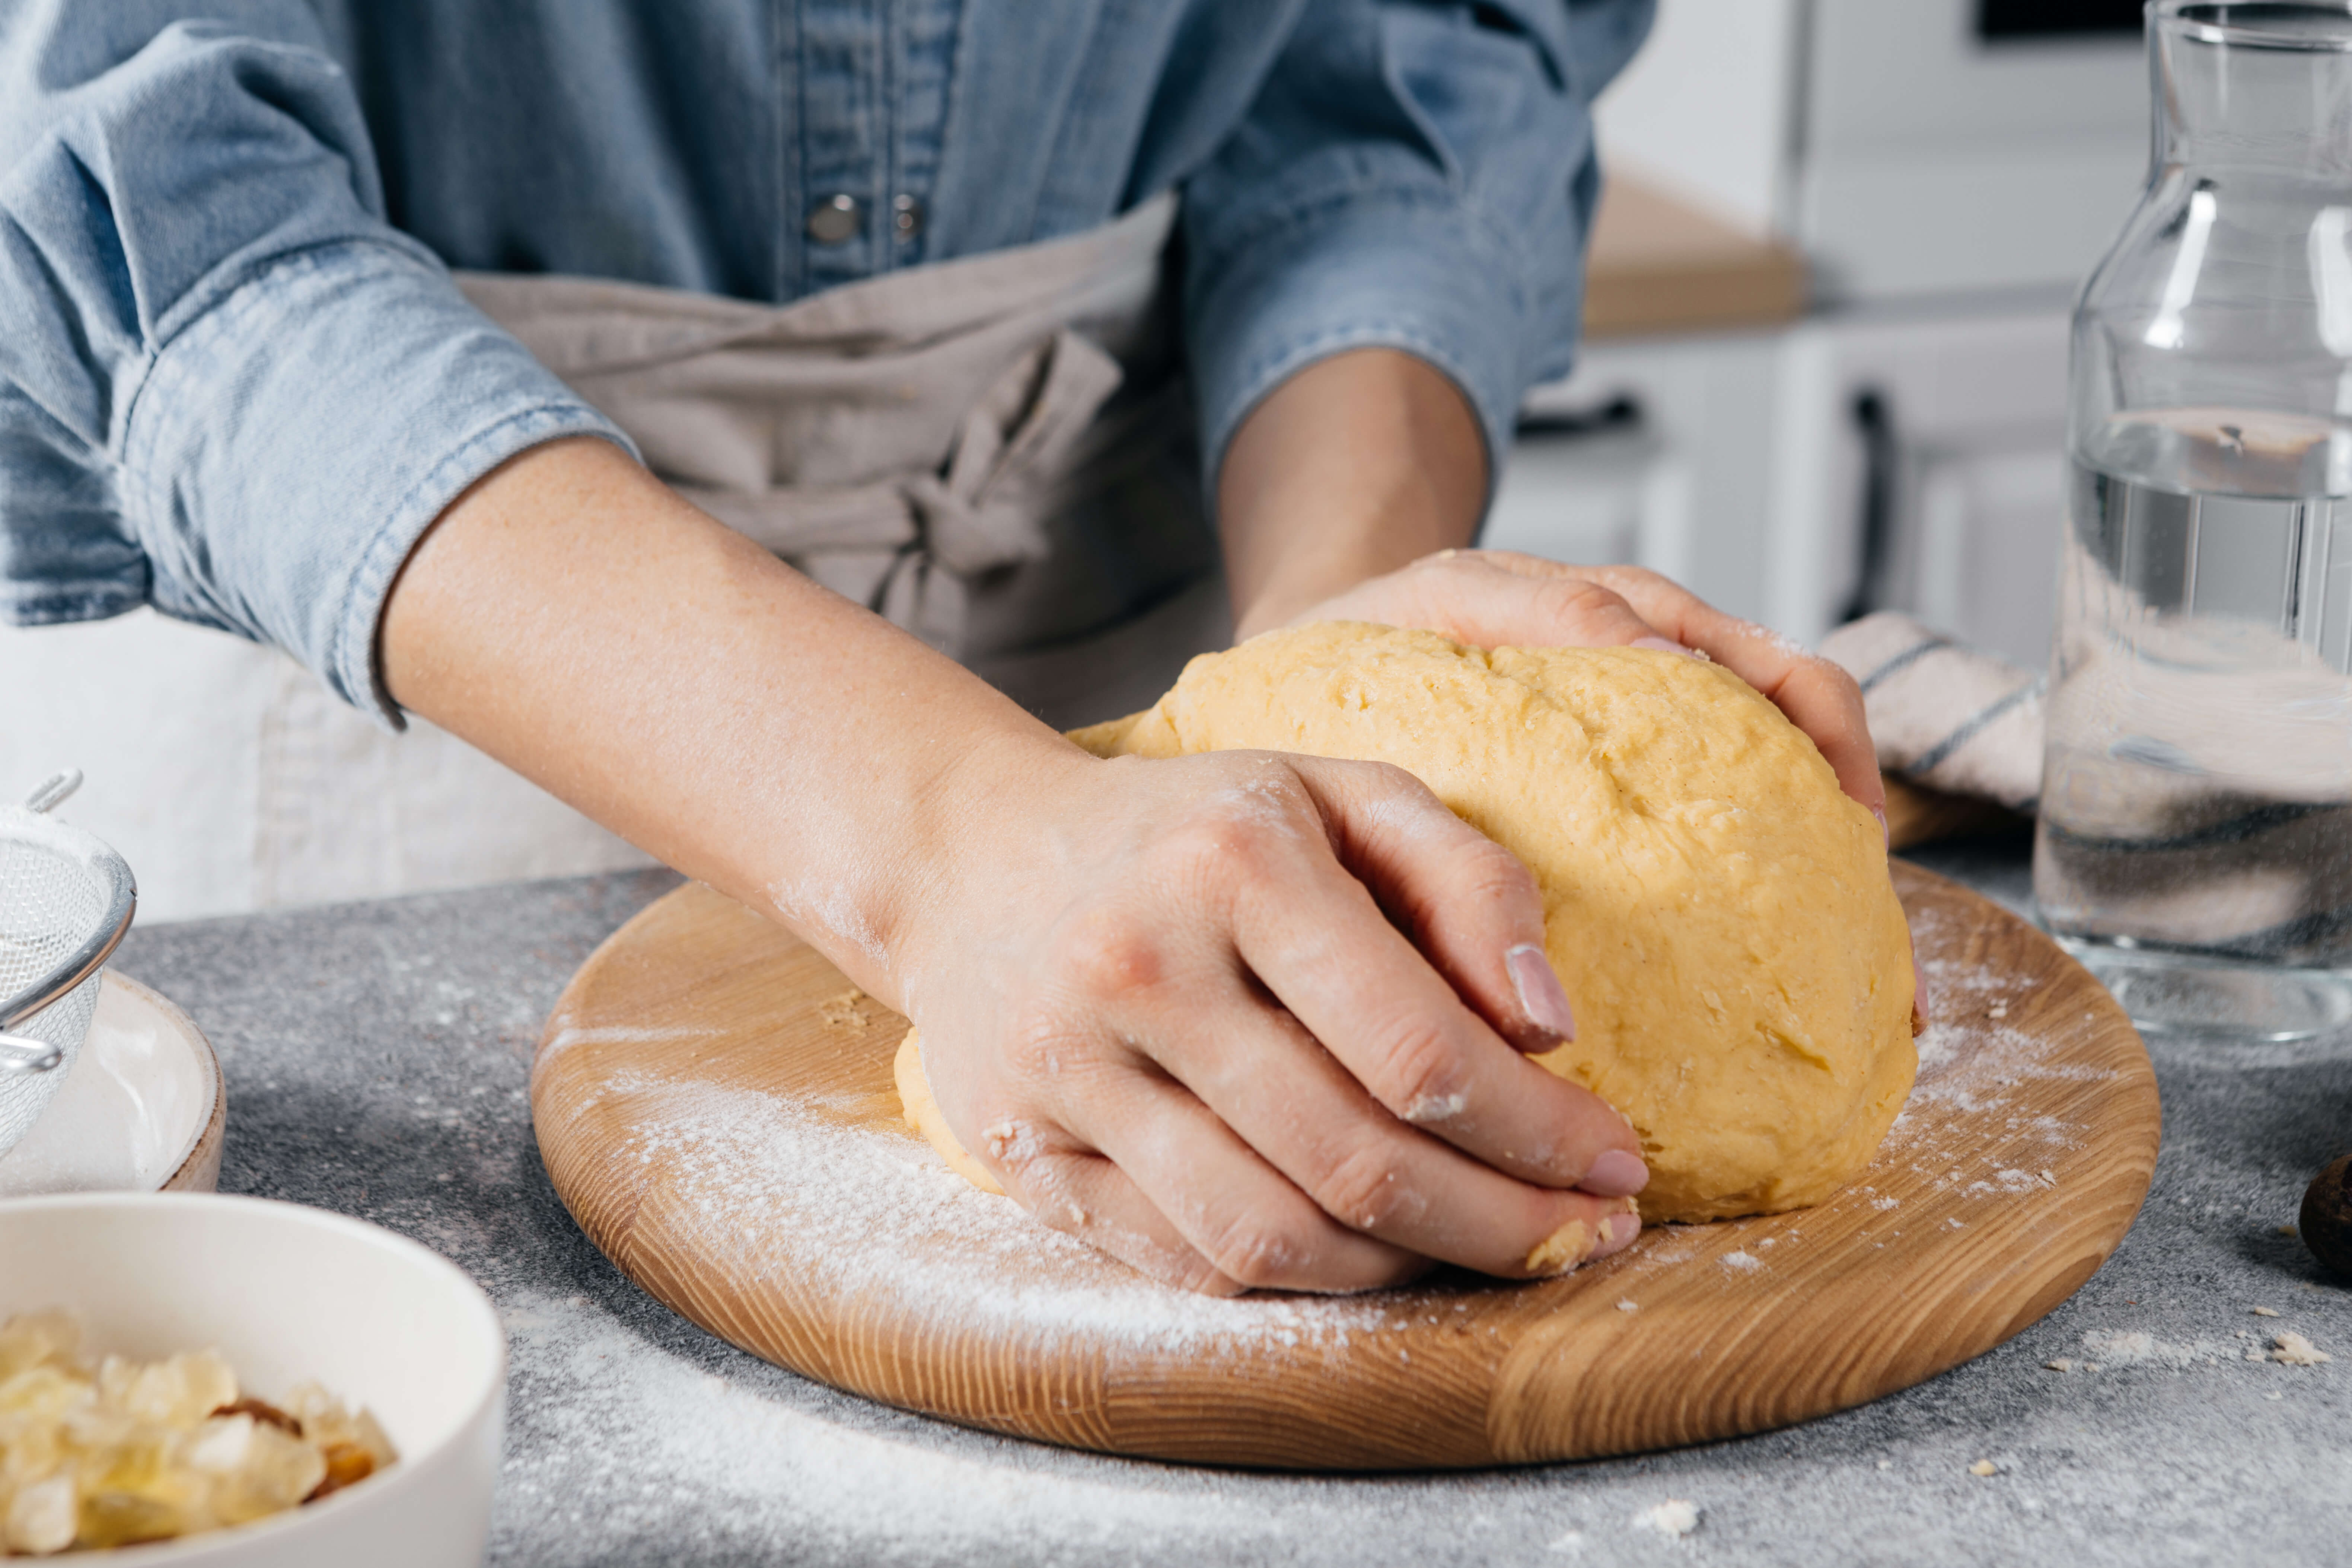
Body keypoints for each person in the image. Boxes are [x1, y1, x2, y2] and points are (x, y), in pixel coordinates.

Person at [0, 2, 1882, 1294]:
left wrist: (1326, 664)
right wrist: (954, 843)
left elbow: (1401, 67)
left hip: (1163, 596)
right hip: (406, 670)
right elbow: (131, 185)